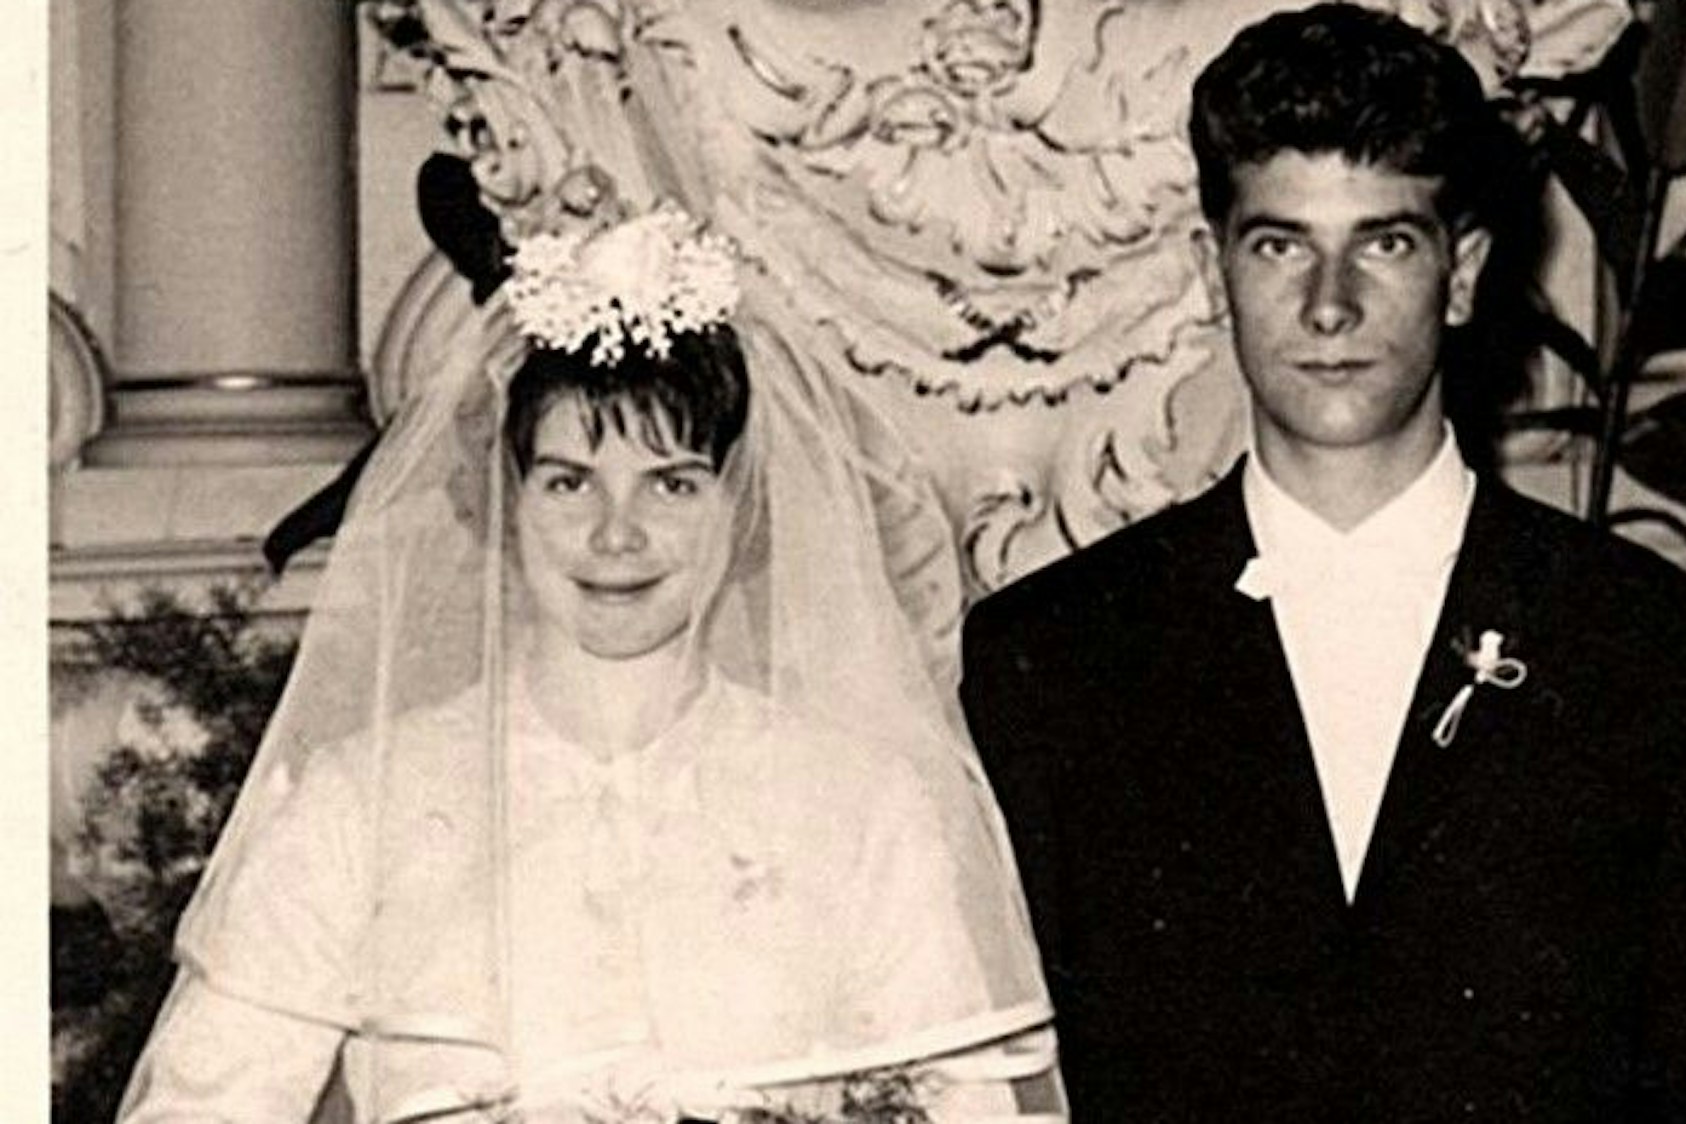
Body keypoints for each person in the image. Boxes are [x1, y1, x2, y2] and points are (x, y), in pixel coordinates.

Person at [958, 5, 1686, 1122]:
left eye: (1383, 242)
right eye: (1281, 244)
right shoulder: (1048, 660)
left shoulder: (1672, 660)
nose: (1329, 306)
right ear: (1211, 271)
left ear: (1464, 270)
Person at [119, 204, 1063, 1122]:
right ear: (502, 501)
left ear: (740, 510)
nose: (619, 536)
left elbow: (957, 1113)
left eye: (673, 484)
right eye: (570, 482)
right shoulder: (359, 803)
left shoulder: (862, 805)